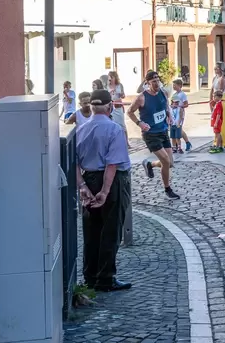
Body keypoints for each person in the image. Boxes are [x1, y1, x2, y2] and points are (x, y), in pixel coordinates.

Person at [76, 89, 133, 291]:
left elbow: (73, 163)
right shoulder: (114, 129)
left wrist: (82, 186)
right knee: (110, 230)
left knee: (91, 230)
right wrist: (105, 191)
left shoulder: (80, 129)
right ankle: (105, 278)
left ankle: (90, 276)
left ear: (90, 107)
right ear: (110, 107)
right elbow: (112, 164)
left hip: (88, 178)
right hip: (113, 182)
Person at [128, 71, 180, 200]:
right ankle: (167, 189)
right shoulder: (142, 97)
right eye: (153, 81)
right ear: (148, 83)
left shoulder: (163, 92)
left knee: (170, 163)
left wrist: (169, 115)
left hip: (163, 131)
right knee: (166, 161)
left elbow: (165, 106)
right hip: (150, 133)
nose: (156, 83)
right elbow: (130, 112)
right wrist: (139, 123)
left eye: (158, 80)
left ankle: (150, 165)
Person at [210, 63, 225, 149]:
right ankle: (217, 141)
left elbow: (220, 92)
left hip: (221, 99)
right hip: (215, 99)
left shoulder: (223, 79)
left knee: (221, 122)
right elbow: (212, 90)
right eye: (215, 67)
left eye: (217, 68)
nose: (215, 69)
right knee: (216, 120)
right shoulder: (215, 78)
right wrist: (211, 100)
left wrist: (216, 100)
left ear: (221, 69)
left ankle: (223, 142)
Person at [106, 71, 129, 147]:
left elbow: (123, 96)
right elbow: (106, 96)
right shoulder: (107, 86)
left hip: (118, 106)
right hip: (111, 106)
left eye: (112, 77)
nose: (110, 79)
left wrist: (121, 94)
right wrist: (110, 93)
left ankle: (126, 142)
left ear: (115, 77)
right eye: (109, 77)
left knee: (122, 125)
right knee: (112, 124)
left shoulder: (119, 85)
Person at [170, 78, 191, 152]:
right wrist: (172, 106)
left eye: (174, 85)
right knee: (176, 128)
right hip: (173, 113)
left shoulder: (182, 95)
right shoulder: (174, 94)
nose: (173, 87)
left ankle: (185, 143)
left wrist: (180, 106)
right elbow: (172, 103)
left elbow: (186, 104)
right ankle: (179, 144)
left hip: (179, 113)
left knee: (179, 127)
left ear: (179, 85)